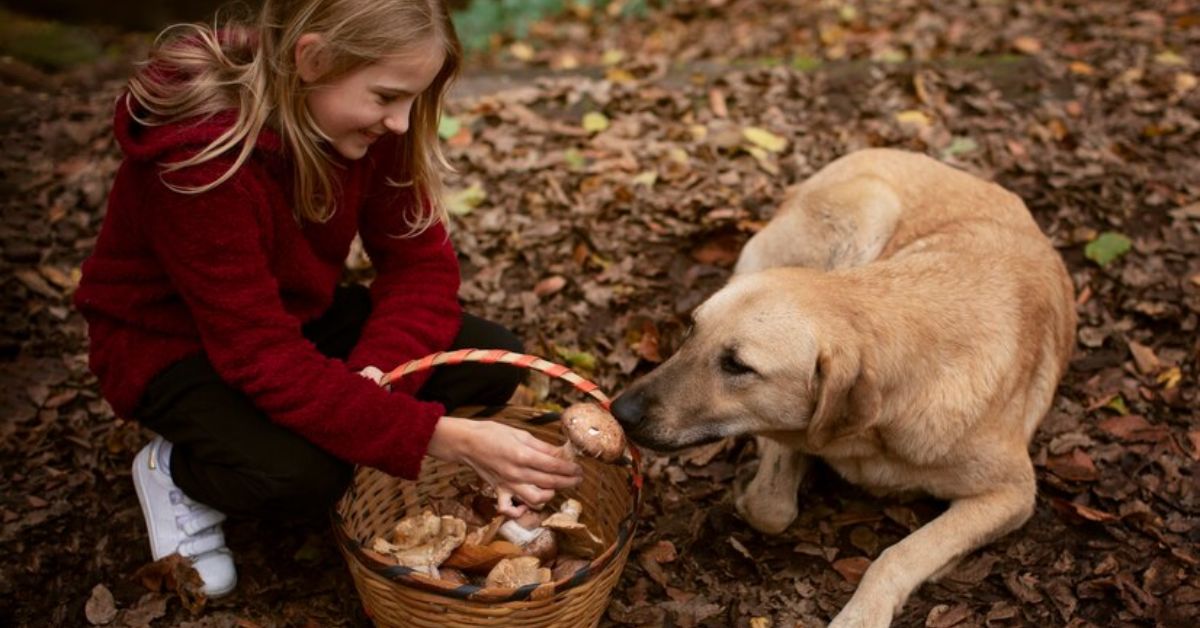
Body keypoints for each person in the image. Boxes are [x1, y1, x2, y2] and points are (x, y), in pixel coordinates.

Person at [73, 0, 581, 597]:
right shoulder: (200, 160)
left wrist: (377, 377)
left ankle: (334, 428)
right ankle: (177, 474)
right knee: (305, 476)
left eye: (413, 99)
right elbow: (257, 354)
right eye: (388, 96)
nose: (401, 120)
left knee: (486, 360)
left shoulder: (365, 123)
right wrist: (435, 435)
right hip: (173, 348)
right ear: (312, 60)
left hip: (292, 318)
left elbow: (420, 268)